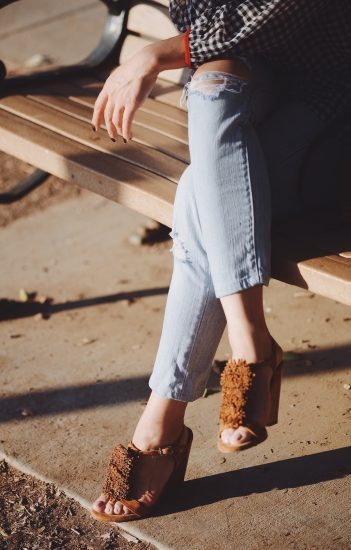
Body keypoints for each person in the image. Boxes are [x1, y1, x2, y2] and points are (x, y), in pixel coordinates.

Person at [90, 0, 350, 522]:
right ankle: (251, 345)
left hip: (331, 102)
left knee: (200, 196)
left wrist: (153, 55)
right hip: (245, 81)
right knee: (211, 92)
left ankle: (163, 423)